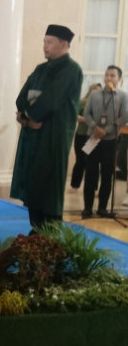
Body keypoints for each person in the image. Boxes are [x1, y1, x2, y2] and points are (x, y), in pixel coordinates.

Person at [11, 24, 83, 230]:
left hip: (53, 138)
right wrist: (26, 118)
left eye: (49, 42)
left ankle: (50, 235)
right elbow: (21, 98)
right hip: (32, 136)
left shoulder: (72, 70)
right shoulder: (40, 70)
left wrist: (30, 114)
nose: (45, 46)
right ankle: (36, 230)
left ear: (64, 44)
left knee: (49, 187)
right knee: (33, 185)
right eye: (44, 41)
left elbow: (52, 99)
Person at [81, 66, 128, 218]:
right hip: (93, 137)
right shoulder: (94, 94)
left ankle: (102, 208)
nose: (108, 78)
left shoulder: (122, 96)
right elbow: (86, 113)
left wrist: (107, 130)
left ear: (119, 79)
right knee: (90, 174)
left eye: (112, 75)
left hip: (110, 140)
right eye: (107, 75)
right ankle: (87, 208)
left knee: (107, 175)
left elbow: (124, 117)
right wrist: (95, 127)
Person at [69, 83, 102, 191]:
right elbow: (75, 115)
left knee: (92, 162)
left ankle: (93, 187)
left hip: (93, 137)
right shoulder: (83, 102)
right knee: (80, 161)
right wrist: (86, 119)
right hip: (81, 135)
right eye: (95, 90)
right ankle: (75, 186)